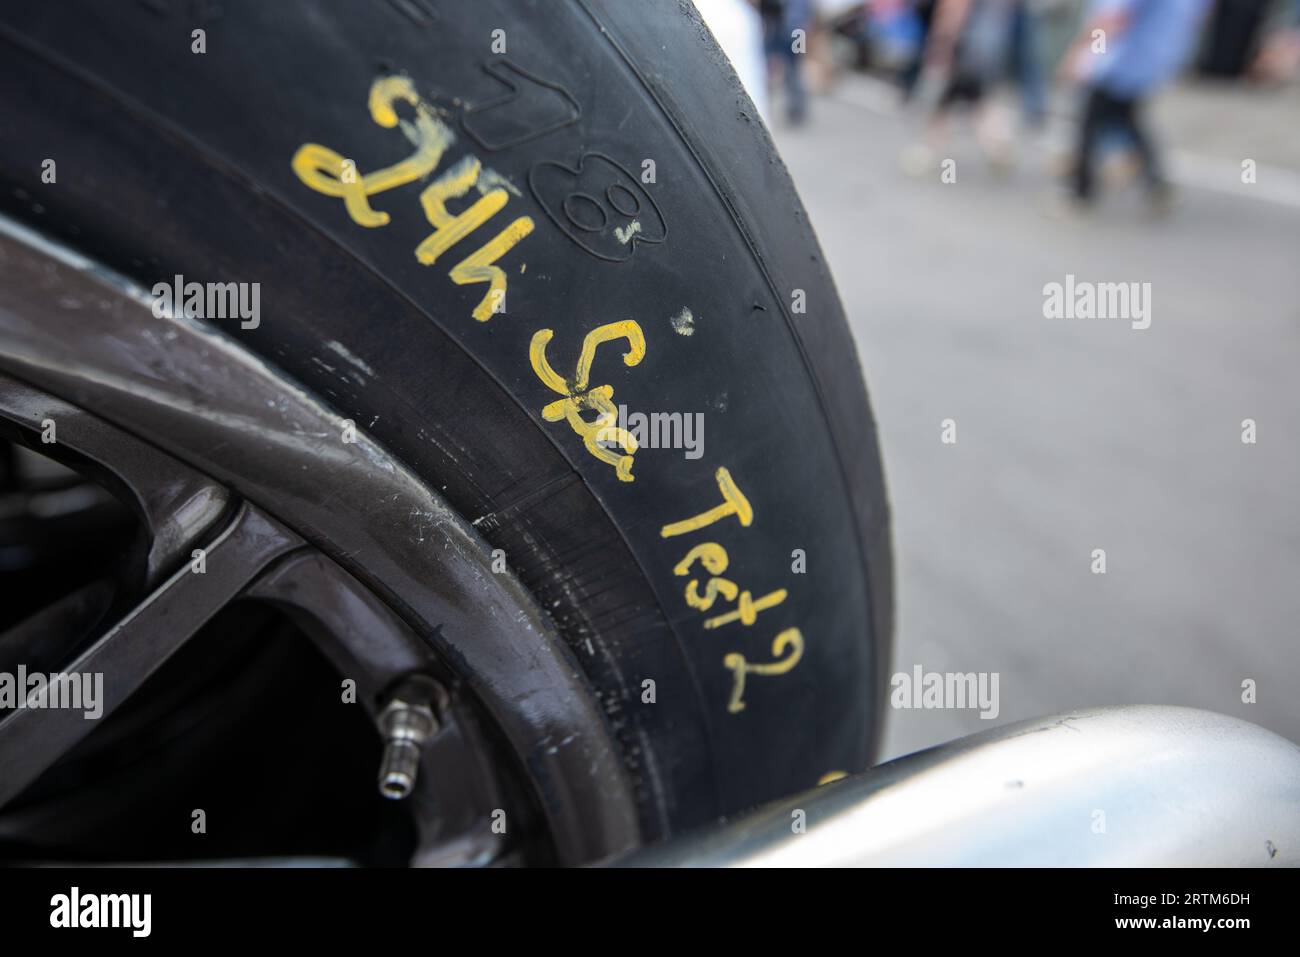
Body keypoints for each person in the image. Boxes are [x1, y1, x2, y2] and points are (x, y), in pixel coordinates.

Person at [1060, 0, 1211, 210]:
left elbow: (1113, 18)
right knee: (1127, 119)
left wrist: (1083, 54)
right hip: (1150, 60)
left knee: (1090, 123)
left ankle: (1080, 194)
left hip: (1120, 63)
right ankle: (1157, 185)